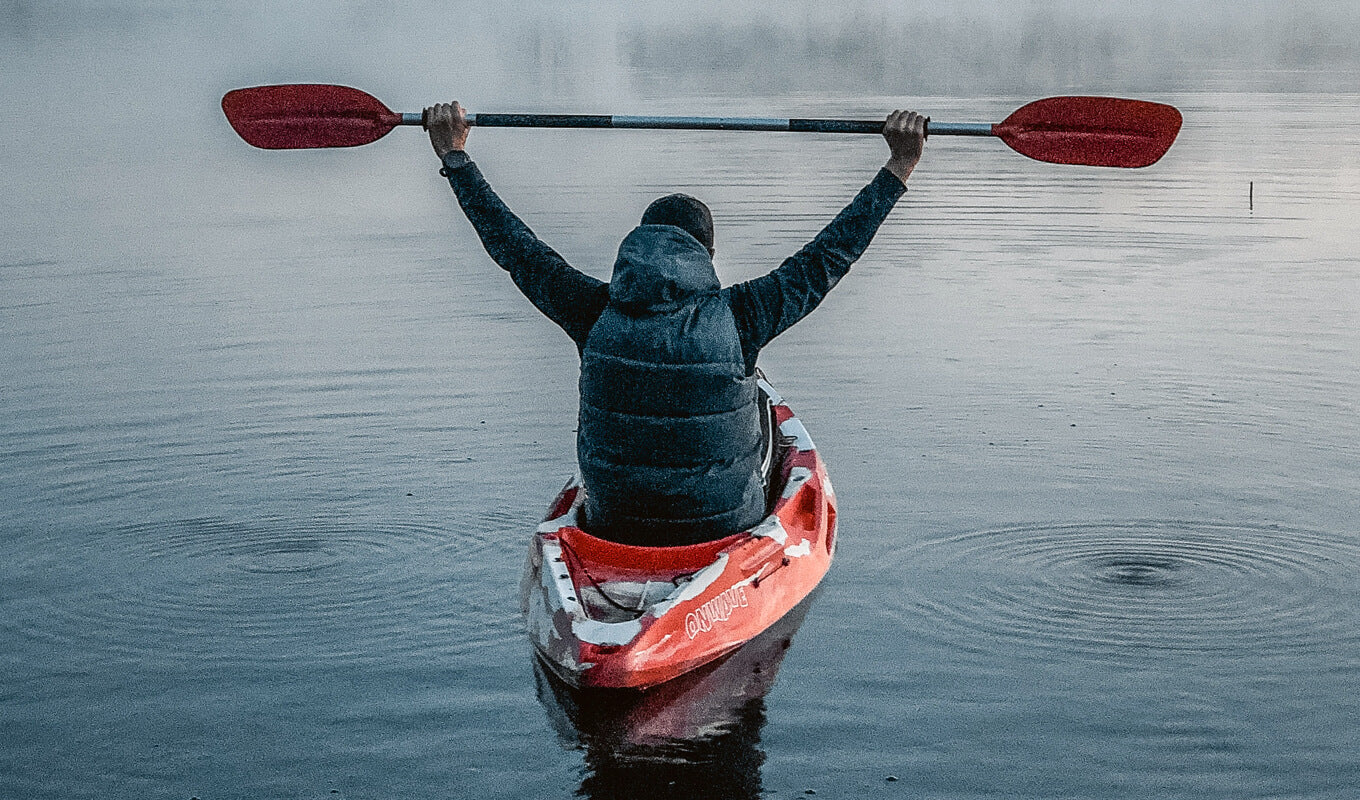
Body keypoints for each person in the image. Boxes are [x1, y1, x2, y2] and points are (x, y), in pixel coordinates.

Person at [425, 103, 926, 546]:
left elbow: (512, 246)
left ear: (636, 245)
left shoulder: (590, 310)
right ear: (705, 256)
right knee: (763, 416)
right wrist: (899, 166)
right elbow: (829, 256)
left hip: (613, 527)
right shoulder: (745, 314)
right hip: (722, 529)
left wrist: (455, 158)